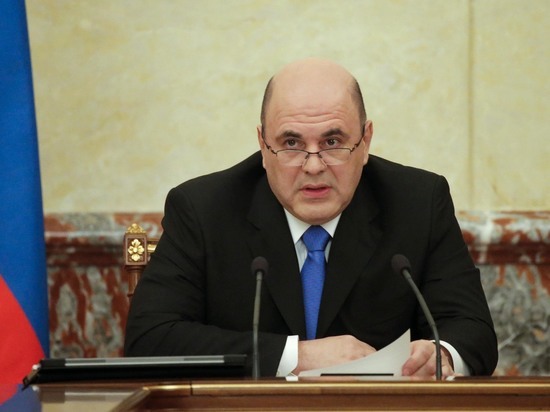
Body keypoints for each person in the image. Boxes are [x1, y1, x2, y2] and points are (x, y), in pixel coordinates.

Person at [124, 58, 498, 377]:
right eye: (292, 144)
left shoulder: (418, 203)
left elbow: (472, 331)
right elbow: (149, 339)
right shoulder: (203, 209)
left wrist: (442, 355)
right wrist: (298, 357)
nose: (314, 166)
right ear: (263, 144)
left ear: (366, 141)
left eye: (333, 143)